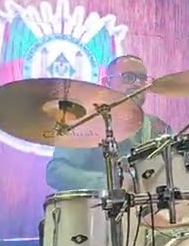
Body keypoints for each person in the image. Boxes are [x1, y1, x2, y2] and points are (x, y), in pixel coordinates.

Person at [45, 54, 170, 191]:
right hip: (98, 209)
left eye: (142, 79)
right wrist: (109, 183)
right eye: (129, 77)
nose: (137, 84)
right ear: (106, 83)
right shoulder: (86, 122)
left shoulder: (158, 127)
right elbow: (56, 172)